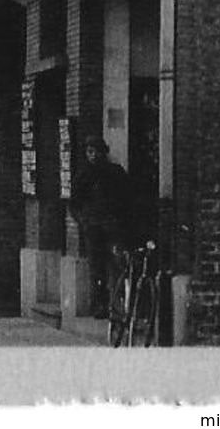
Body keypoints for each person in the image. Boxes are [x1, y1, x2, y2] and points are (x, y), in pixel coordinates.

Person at [71, 135, 133, 317]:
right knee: (96, 268)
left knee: (117, 264)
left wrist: (121, 219)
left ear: (103, 152)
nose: (93, 155)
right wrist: (84, 222)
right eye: (90, 152)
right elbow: (74, 204)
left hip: (113, 228)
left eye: (96, 151)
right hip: (93, 229)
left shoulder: (115, 173)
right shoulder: (83, 175)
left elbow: (127, 198)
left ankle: (117, 304)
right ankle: (99, 305)